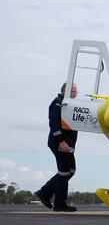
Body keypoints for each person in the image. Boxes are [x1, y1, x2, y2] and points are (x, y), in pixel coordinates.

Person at [35, 82, 78, 212]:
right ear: (66, 90)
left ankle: (45, 192)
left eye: (76, 92)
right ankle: (59, 203)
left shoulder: (67, 103)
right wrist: (61, 141)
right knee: (65, 171)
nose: (76, 94)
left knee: (70, 170)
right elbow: (53, 123)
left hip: (66, 143)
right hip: (60, 143)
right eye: (74, 91)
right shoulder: (58, 102)